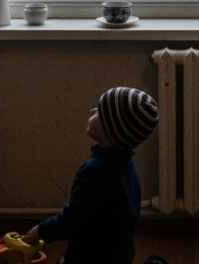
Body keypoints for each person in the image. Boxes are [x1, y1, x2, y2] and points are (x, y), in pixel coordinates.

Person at [23, 87, 160, 264]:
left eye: (99, 113)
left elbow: (73, 220)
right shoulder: (125, 164)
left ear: (111, 130)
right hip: (121, 255)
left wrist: (41, 230)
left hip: (89, 257)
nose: (92, 111)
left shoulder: (95, 172)